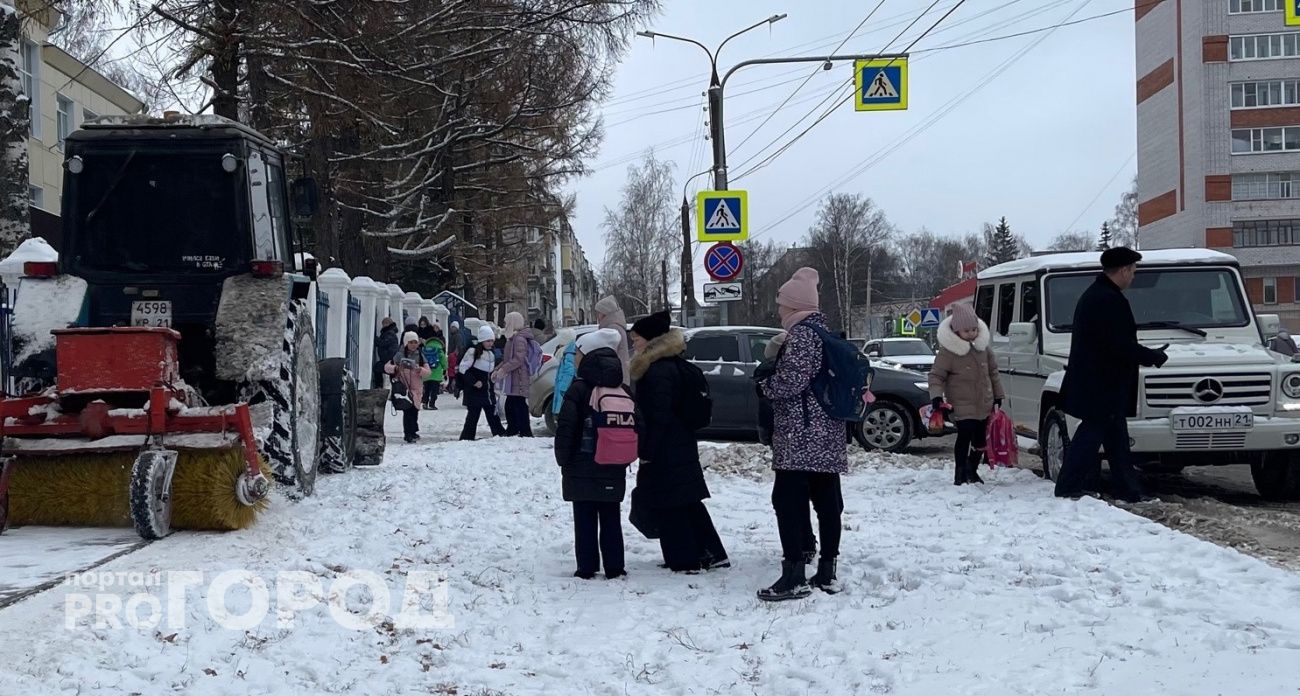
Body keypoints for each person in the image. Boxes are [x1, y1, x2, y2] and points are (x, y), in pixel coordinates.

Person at [755, 267, 846, 602]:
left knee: (787, 501)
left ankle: (794, 575)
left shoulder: (802, 335)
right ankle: (827, 570)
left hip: (801, 435)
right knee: (827, 503)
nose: (778, 311)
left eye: (781, 305)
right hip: (828, 434)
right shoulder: (825, 333)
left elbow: (791, 382)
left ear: (794, 305)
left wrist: (765, 385)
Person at [1056, 247, 1169, 502]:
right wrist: (1152, 357)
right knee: (1091, 436)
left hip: (1101, 384)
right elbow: (1118, 344)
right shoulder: (1107, 299)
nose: (1134, 276)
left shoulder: (1099, 295)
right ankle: (1068, 486)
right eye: (1133, 270)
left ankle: (1128, 490)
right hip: (1102, 385)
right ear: (1124, 269)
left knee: (1116, 441)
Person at [628, 310, 729, 573]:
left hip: (665, 446)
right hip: (681, 442)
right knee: (687, 500)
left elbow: (658, 415)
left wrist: (647, 450)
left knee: (671, 502)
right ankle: (711, 552)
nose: (634, 344)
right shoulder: (676, 365)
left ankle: (684, 559)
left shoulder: (657, 371)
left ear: (650, 340)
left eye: (636, 339)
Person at [554, 328, 630, 580]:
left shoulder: (579, 389)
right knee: (611, 517)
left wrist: (563, 459)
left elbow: (566, 428)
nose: (574, 357)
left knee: (584, 517)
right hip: (614, 463)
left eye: (577, 352)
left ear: (587, 355)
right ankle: (615, 567)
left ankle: (587, 567)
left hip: (581, 464)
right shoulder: (622, 389)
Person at [928, 302, 1005, 486]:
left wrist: (998, 394)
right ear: (956, 332)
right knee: (964, 437)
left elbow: (993, 372)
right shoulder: (949, 353)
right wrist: (937, 397)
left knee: (980, 440)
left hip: (983, 403)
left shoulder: (983, 349)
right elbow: (936, 376)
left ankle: (973, 468)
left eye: (974, 329)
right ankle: (960, 472)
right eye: (966, 331)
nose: (971, 333)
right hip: (961, 405)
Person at [459, 325, 507, 441]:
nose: (491, 343)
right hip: (474, 392)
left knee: (493, 414)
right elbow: (463, 368)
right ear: (482, 340)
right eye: (488, 341)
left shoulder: (491, 354)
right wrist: (474, 382)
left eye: (492, 341)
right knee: (473, 416)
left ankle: (499, 433)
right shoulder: (473, 352)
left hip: (487, 390)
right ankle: (467, 437)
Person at [494, 311, 538, 437]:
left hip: (519, 376)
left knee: (518, 404)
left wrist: (504, 369)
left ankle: (523, 430)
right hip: (513, 376)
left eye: (506, 322)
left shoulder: (519, 339)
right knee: (512, 403)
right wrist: (498, 369)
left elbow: (519, 359)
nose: (505, 324)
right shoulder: (512, 338)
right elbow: (507, 359)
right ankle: (514, 429)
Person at [385, 331, 431, 443]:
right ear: (406, 343)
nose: (413, 345)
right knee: (407, 411)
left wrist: (421, 370)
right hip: (404, 388)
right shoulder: (399, 355)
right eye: (411, 342)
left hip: (416, 389)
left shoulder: (420, 355)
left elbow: (428, 372)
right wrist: (395, 368)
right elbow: (387, 367)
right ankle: (408, 433)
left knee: (415, 411)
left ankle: (414, 431)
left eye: (415, 342)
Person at [595, 296, 631, 384]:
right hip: (619, 374)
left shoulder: (612, 329)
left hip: (616, 377)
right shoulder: (616, 326)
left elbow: (606, 354)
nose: (598, 317)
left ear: (605, 313)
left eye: (599, 313)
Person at [550, 328, 579, 419]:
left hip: (565, 388)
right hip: (565, 387)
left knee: (564, 413)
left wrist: (563, 387)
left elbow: (569, 371)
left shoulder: (569, 353)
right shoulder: (569, 351)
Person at [422, 325, 448, 410]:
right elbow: (443, 361)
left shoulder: (425, 349)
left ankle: (425, 402)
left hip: (426, 373)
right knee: (434, 390)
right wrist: (445, 368)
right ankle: (432, 404)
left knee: (426, 389)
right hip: (436, 374)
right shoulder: (439, 350)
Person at [373, 318, 400, 388]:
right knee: (392, 376)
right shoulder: (389, 332)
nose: (383, 325)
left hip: (389, 359)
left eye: (385, 323)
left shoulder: (389, 333)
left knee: (378, 368)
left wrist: (375, 339)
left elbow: (383, 343)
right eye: (383, 324)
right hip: (390, 359)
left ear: (388, 324)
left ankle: (379, 387)